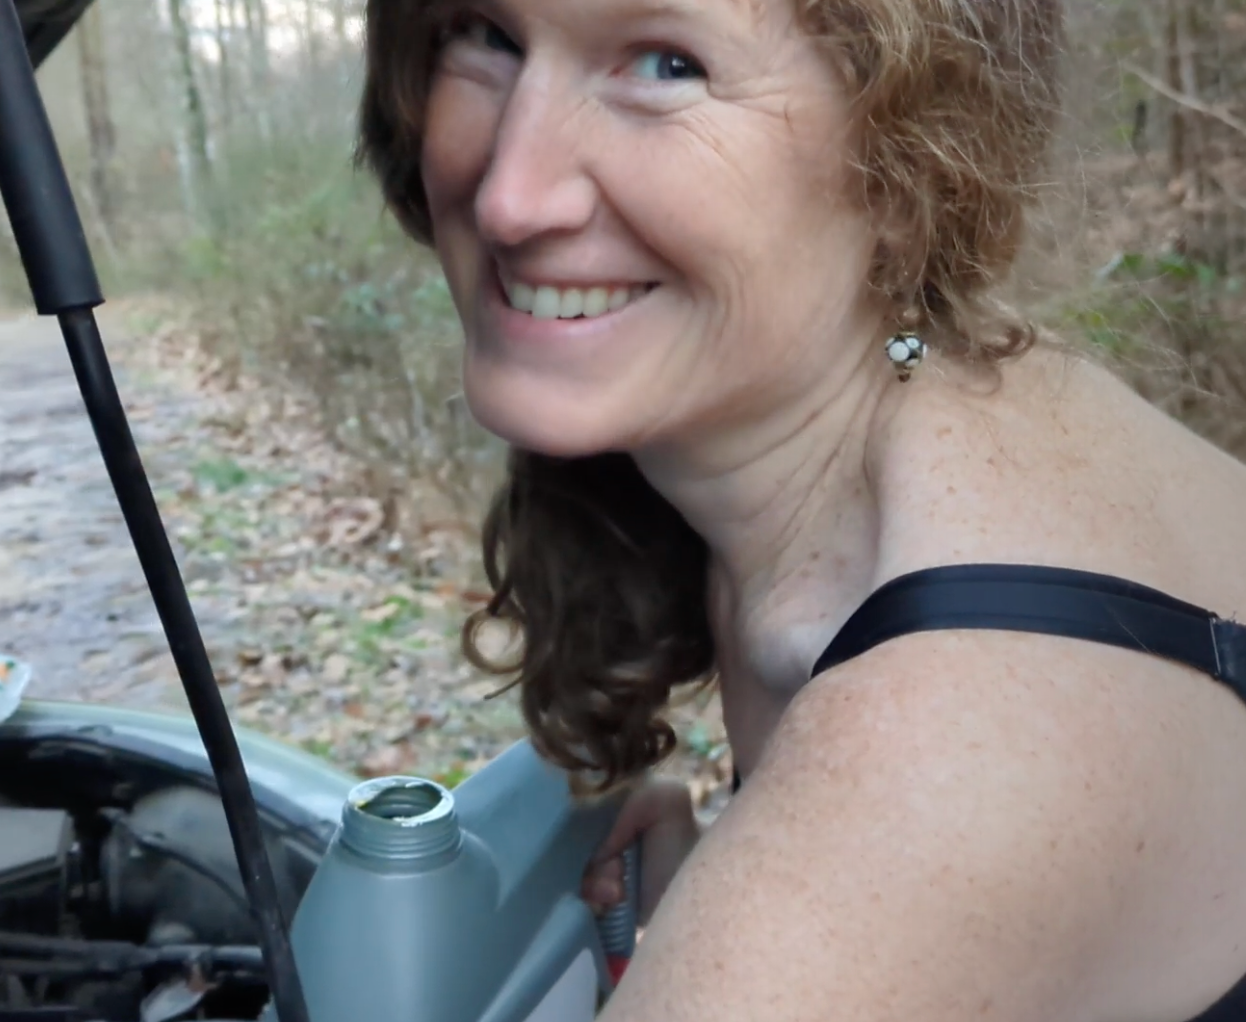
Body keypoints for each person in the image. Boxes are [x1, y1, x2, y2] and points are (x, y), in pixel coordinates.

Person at [356, 0, 1246, 1018]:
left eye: (666, 65)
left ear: (910, 156)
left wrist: (781, 915)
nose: (511, 197)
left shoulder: (931, 759)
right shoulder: (971, 397)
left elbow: (927, 828)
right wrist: (738, 864)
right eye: (489, 36)